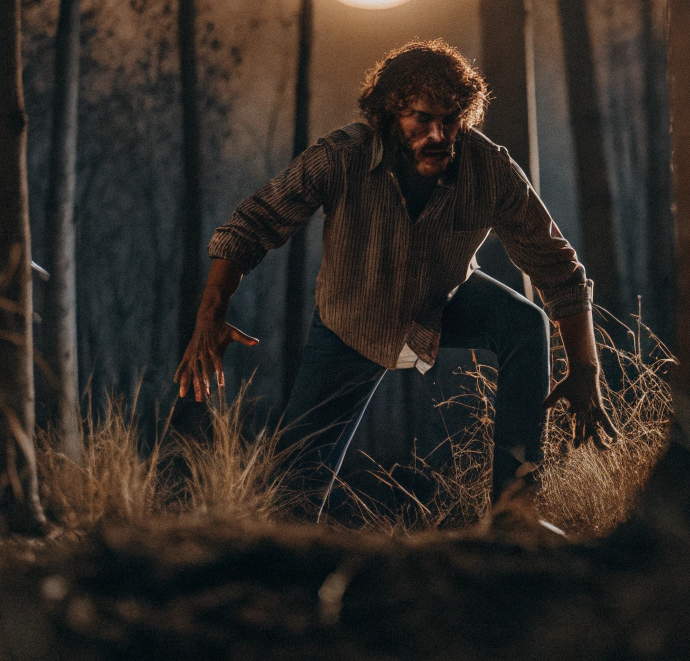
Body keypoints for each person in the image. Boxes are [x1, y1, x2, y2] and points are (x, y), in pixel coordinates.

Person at [175, 39, 618, 513]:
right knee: (294, 490)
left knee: (525, 323)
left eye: (451, 119)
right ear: (390, 115)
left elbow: (558, 268)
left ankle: (516, 510)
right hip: (351, 324)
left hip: (442, 302)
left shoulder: (489, 168)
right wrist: (210, 313)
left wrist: (585, 368)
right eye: (422, 119)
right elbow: (251, 225)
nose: (438, 134)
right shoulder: (340, 157)